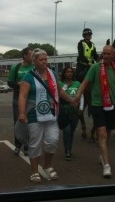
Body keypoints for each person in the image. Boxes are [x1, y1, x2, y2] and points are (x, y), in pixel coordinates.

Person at [73, 45, 115, 178]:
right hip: (97, 104)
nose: (105, 56)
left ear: (113, 55)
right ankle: (106, 165)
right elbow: (85, 83)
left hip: (112, 104)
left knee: (108, 133)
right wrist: (77, 96)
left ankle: (102, 155)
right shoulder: (95, 67)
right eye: (103, 53)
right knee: (102, 134)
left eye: (108, 54)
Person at [18, 48, 75, 183]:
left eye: (46, 59)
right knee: (35, 143)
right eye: (41, 60)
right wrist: (21, 113)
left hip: (51, 113)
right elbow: (23, 95)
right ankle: (34, 171)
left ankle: (48, 166)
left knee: (53, 140)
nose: (45, 62)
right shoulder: (28, 76)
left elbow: (59, 91)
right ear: (34, 61)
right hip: (34, 114)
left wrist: (71, 100)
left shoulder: (53, 74)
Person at [7, 47, 34, 156]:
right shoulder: (16, 67)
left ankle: (27, 146)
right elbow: (9, 82)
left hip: (31, 99)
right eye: (31, 55)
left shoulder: (34, 68)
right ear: (25, 56)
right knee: (18, 122)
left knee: (30, 123)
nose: (32, 57)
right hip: (17, 98)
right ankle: (17, 146)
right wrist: (18, 84)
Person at [59, 66, 84, 160]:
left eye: (71, 72)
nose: (69, 73)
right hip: (64, 111)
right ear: (64, 73)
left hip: (75, 112)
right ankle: (67, 150)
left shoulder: (78, 83)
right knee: (67, 131)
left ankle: (69, 147)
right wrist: (66, 86)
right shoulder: (61, 84)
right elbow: (60, 95)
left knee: (71, 131)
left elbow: (82, 96)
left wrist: (81, 108)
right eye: (67, 72)